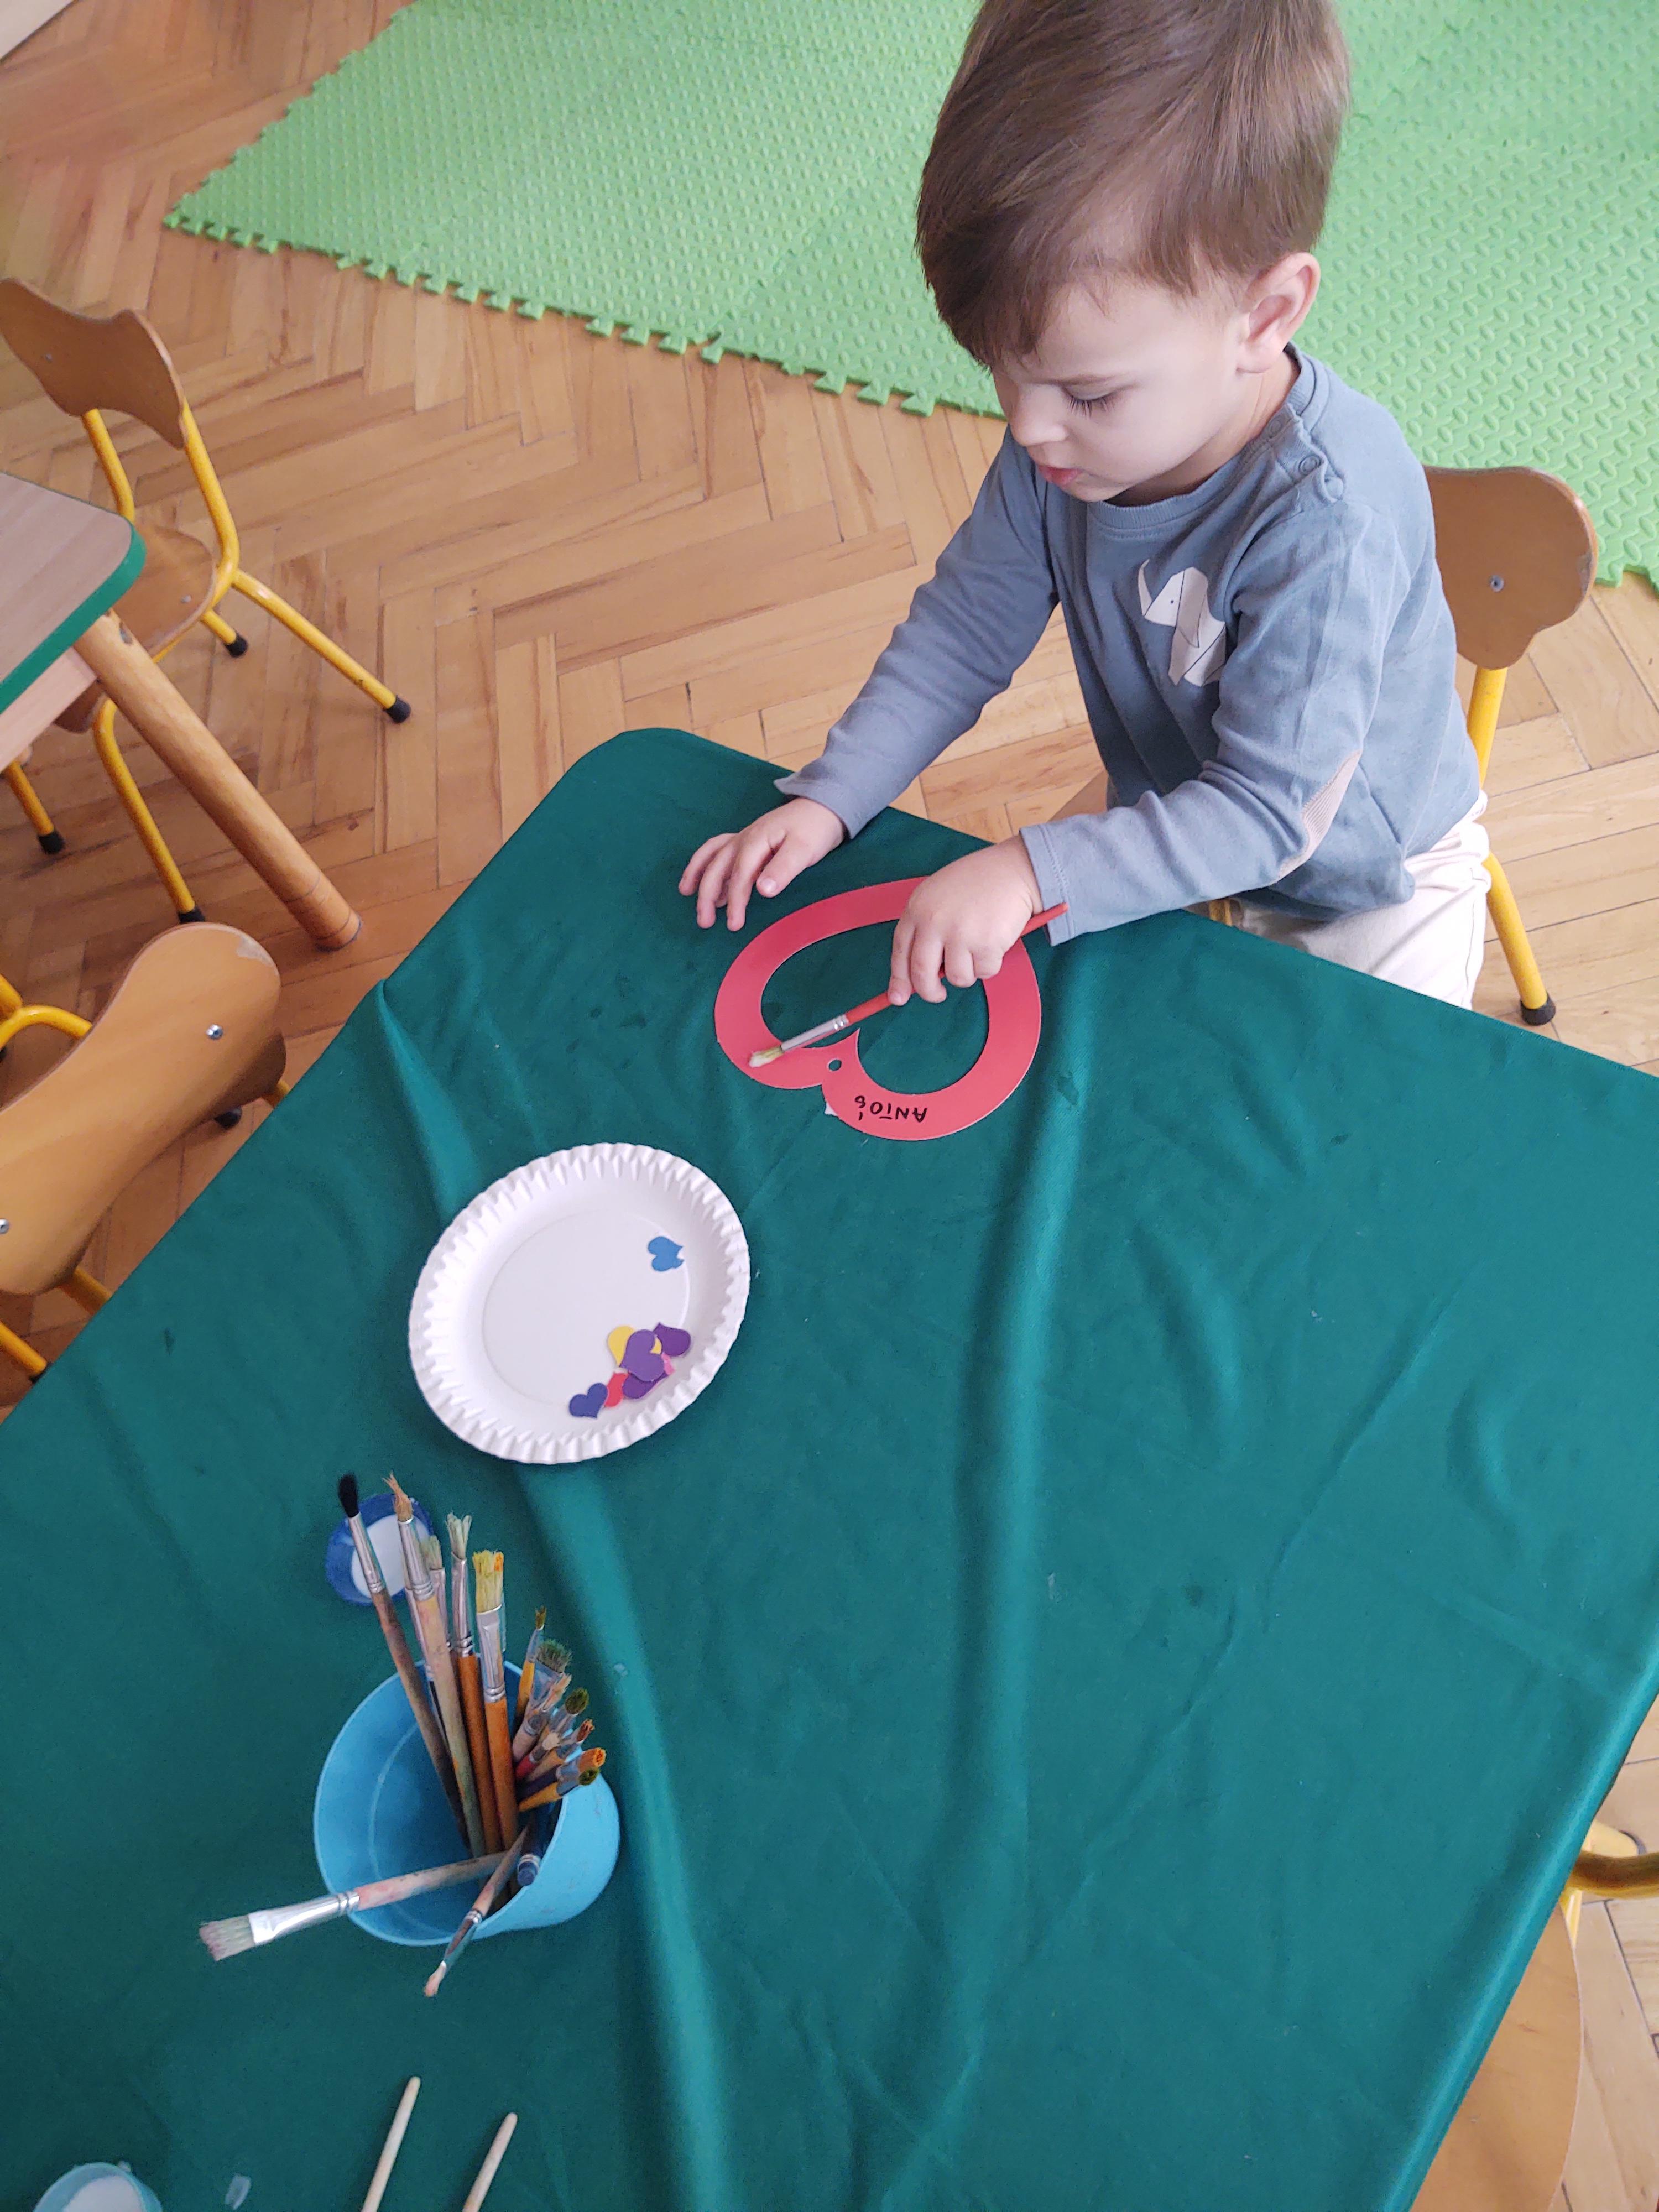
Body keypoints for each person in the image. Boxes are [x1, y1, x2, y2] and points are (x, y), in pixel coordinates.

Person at [679, 0, 1489, 1011]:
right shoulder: (1069, 448)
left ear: (1266, 315)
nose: (1027, 428)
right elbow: (962, 634)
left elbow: (1269, 814)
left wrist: (1031, 868)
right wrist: (835, 797)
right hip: (1178, 824)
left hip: (1365, 885)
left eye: (1090, 393)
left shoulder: (1329, 521)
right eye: (1003, 374)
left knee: (1358, 1103)